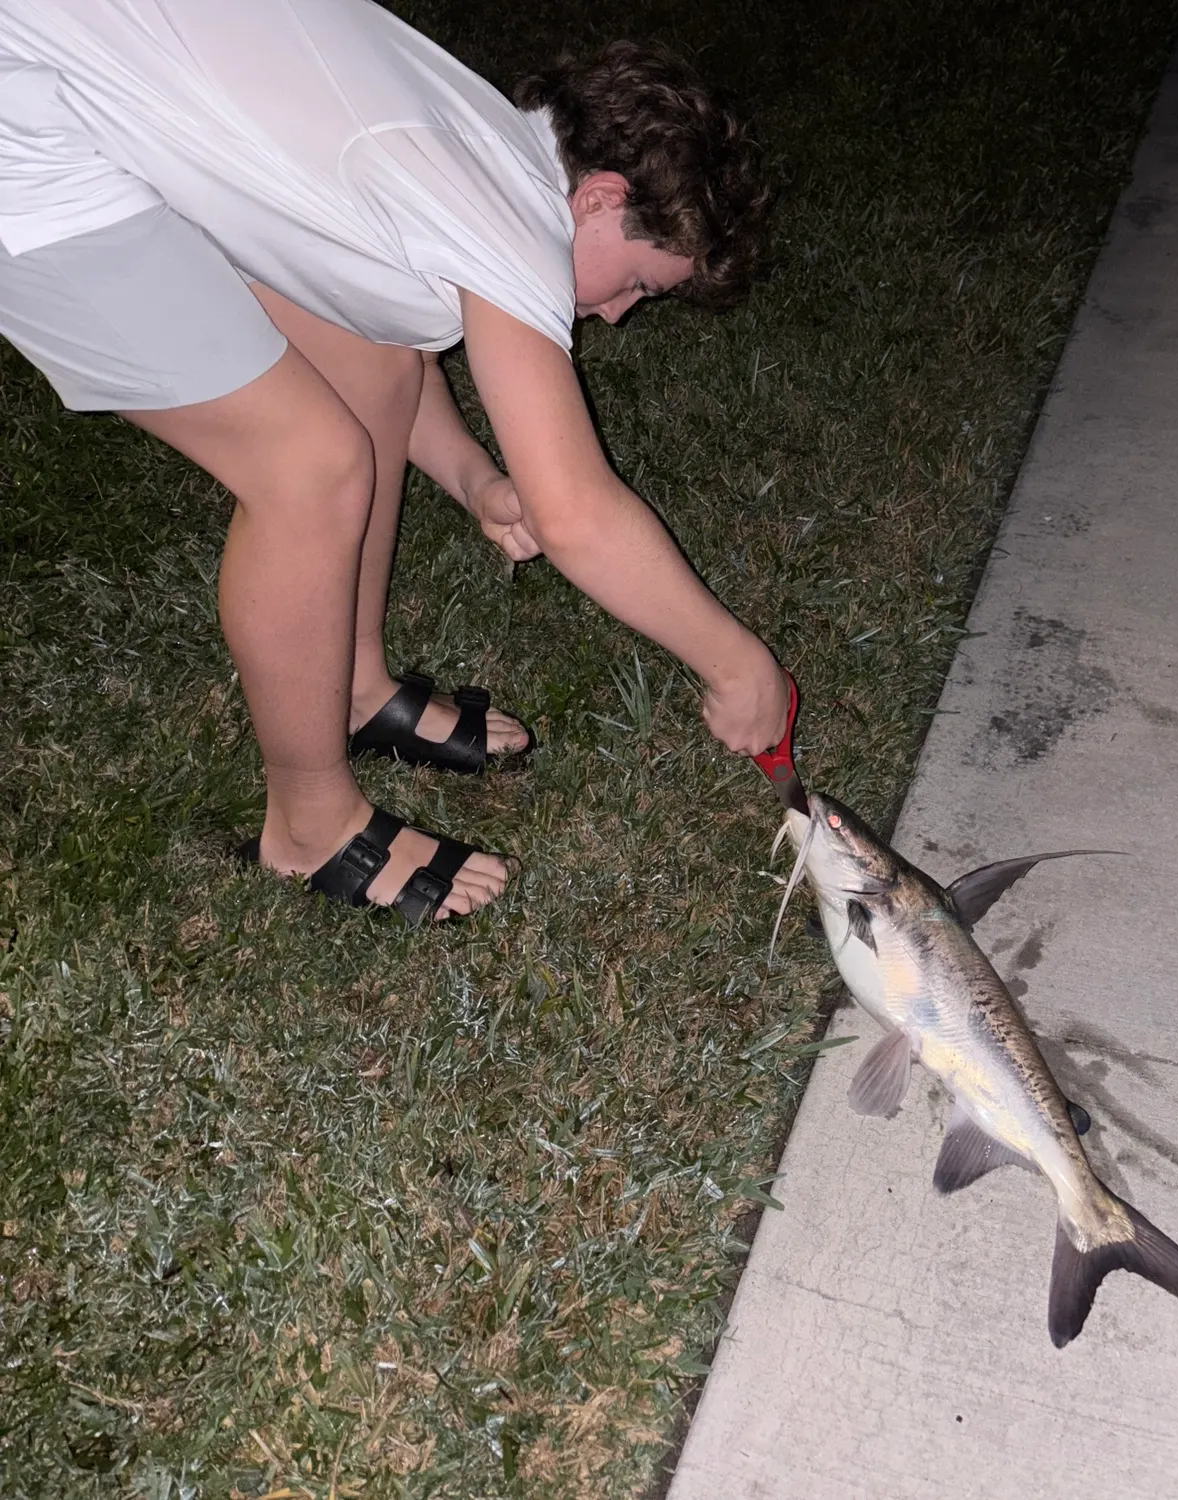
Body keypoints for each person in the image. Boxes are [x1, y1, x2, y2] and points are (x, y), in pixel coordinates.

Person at [0, 0, 789, 925]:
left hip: (68, 69)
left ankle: (355, 687)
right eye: (641, 284)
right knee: (309, 468)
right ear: (601, 199)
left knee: (368, 374)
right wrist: (740, 667)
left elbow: (384, 343)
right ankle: (309, 825)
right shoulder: (507, 224)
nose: (617, 314)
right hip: (29, 133)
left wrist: (474, 478)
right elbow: (575, 512)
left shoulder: (487, 142)